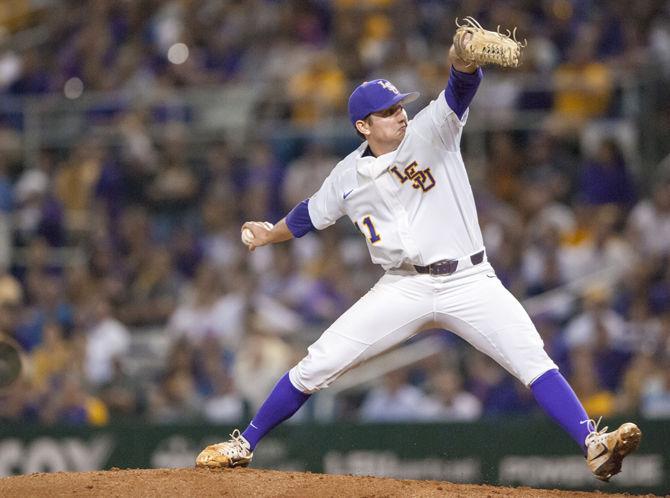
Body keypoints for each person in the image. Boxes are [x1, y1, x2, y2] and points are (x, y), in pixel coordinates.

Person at [195, 22, 641, 482]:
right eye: (387, 112)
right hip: (403, 286)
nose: (400, 114)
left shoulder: (432, 129)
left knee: (532, 358)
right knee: (319, 362)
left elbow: (460, 85)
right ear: (363, 126)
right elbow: (310, 213)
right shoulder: (346, 176)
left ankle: (594, 445)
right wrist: (269, 234)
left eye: (399, 105)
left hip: (470, 281)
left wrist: (463, 58)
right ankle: (243, 443)